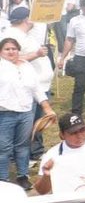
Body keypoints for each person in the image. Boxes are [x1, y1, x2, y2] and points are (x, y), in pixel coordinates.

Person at [0, 36, 54, 188]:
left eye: (14, 49)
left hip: (26, 112)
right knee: (3, 148)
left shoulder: (26, 65)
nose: (11, 51)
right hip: (4, 113)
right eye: (7, 49)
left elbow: (36, 88)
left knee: (23, 146)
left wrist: (47, 108)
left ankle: (22, 176)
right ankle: (2, 180)